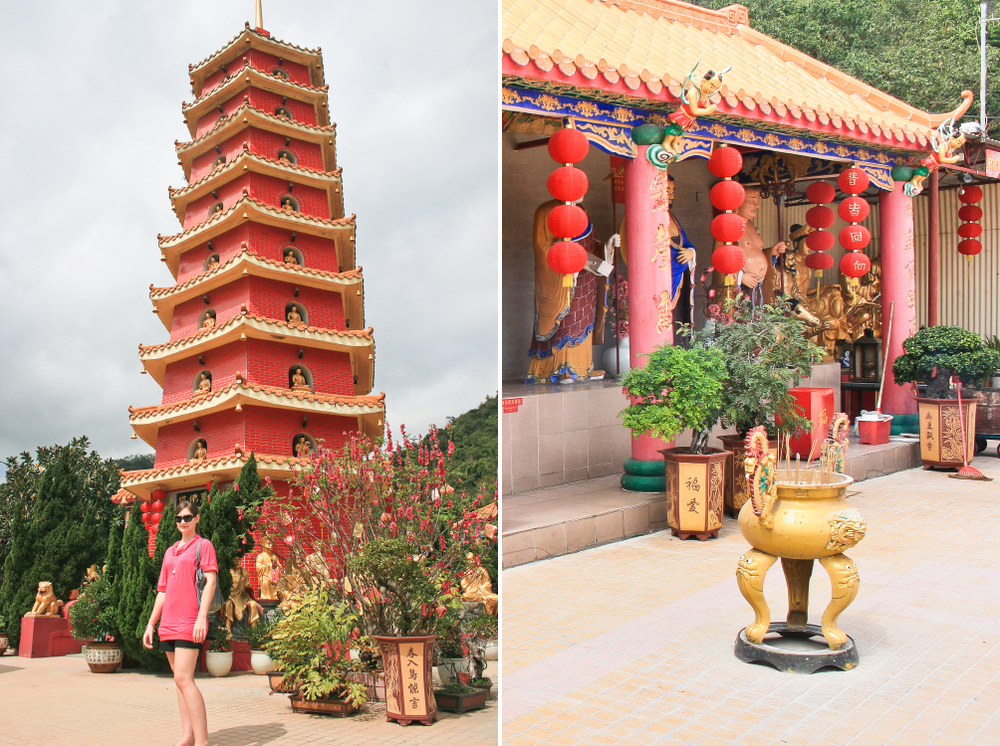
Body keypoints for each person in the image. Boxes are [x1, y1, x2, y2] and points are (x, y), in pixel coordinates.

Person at [143, 500, 219, 746]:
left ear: (196, 519)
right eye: (179, 518)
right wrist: (151, 624)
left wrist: (201, 618)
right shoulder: (169, 551)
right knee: (179, 680)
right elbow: (162, 590)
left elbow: (211, 583)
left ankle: (202, 741)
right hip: (168, 623)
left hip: (189, 621)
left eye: (188, 517)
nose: (183, 522)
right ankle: (187, 736)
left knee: (184, 679)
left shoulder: (203, 546)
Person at [732, 186, 786, 305]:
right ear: (738, 203)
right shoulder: (730, 226)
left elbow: (756, 251)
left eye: (757, 202)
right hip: (741, 286)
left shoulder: (751, 226)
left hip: (758, 285)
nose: (757, 206)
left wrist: (772, 252)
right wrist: (740, 277)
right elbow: (723, 259)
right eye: (752, 201)